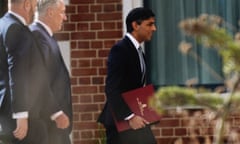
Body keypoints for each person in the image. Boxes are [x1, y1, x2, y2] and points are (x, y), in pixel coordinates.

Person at [98, 7, 157, 144]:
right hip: (122, 123)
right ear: (135, 25)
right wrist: (129, 117)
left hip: (137, 120)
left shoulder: (139, 51)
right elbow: (112, 88)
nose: (154, 28)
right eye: (149, 24)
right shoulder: (120, 49)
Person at [0, 0, 49, 143]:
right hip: (20, 119)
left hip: (5, 114)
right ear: (26, 4)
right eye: (34, 3)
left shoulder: (2, 24)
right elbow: (17, 72)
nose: (35, 8)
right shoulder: (16, 28)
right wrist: (21, 114)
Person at [29, 0, 72, 144]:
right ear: (50, 12)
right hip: (48, 126)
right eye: (62, 12)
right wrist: (56, 113)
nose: (64, 17)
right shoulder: (37, 35)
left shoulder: (46, 35)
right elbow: (38, 80)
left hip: (54, 127)